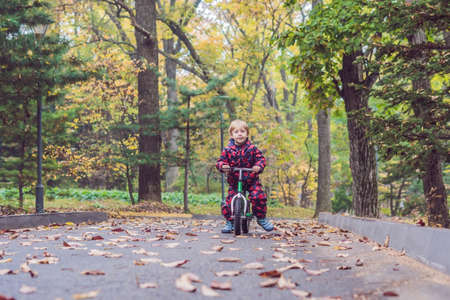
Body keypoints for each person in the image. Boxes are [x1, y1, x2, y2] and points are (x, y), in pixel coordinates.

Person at [216, 119, 274, 233]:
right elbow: (220, 161)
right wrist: (223, 166)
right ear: (232, 135)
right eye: (236, 132)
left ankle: (261, 218)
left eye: (242, 131)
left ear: (247, 133)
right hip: (235, 180)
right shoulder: (228, 150)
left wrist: (258, 166)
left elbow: (260, 159)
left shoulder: (252, 149)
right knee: (228, 201)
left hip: (251, 180)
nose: (239, 134)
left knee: (258, 196)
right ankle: (230, 222)